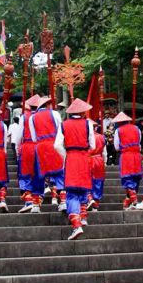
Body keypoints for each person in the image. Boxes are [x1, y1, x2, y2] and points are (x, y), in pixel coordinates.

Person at [56, 98, 95, 240]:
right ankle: (83, 218)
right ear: (83, 111)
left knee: (71, 193)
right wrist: (84, 151)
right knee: (83, 188)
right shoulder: (88, 124)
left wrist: (66, 154)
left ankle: (77, 225)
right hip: (84, 158)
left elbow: (57, 145)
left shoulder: (64, 125)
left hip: (71, 158)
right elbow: (93, 145)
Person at [29, 96, 65, 211]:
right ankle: (63, 201)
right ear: (48, 104)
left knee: (38, 175)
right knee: (60, 173)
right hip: (54, 145)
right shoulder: (55, 114)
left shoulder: (32, 118)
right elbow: (61, 131)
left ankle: (35, 204)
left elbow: (34, 138)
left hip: (40, 147)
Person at [113, 112, 143, 210]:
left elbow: (116, 147)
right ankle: (128, 202)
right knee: (136, 178)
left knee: (127, 179)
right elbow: (139, 143)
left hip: (126, 156)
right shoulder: (137, 129)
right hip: (137, 156)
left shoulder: (118, 130)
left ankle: (133, 201)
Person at [17, 95, 42, 213]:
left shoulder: (24, 117)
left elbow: (19, 134)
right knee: (37, 174)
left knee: (25, 173)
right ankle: (36, 201)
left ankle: (28, 201)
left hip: (27, 146)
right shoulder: (42, 117)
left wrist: (18, 146)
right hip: (39, 147)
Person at [87, 124, 107, 212]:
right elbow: (104, 152)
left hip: (88, 159)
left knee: (87, 180)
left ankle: (90, 198)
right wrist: (105, 161)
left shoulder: (86, 137)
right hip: (99, 159)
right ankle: (96, 205)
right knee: (98, 182)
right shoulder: (101, 137)